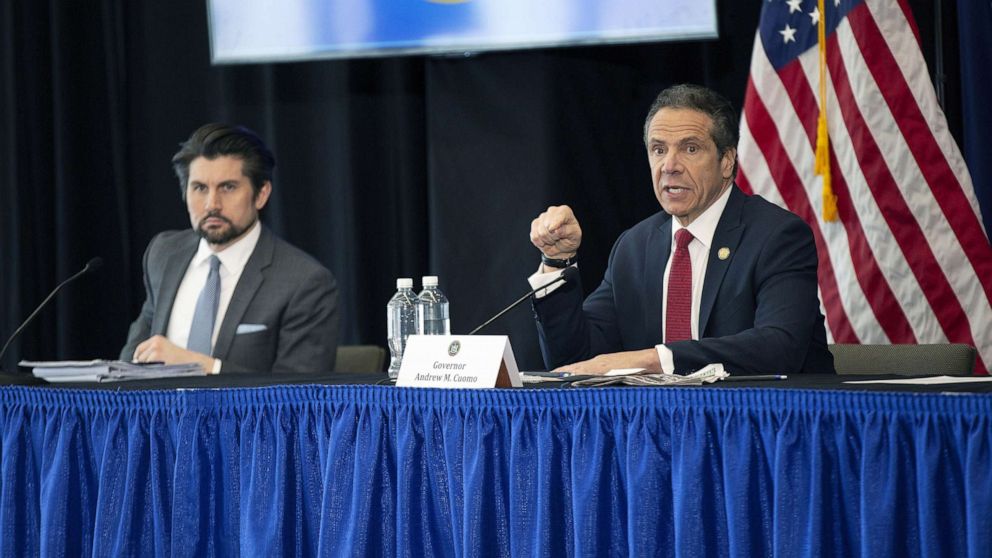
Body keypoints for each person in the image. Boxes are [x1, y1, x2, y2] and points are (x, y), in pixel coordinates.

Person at [528, 84, 834, 375]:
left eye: (690, 148)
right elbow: (574, 362)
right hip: (661, 426)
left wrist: (656, 359)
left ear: (726, 161)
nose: (669, 165)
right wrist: (557, 262)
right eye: (658, 150)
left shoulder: (777, 236)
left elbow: (779, 348)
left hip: (768, 422)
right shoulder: (635, 246)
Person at [121, 123, 339, 373]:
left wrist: (206, 367)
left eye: (228, 187)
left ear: (261, 194)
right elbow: (130, 359)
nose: (212, 204)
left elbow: (298, 394)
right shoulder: (163, 253)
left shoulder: (304, 281)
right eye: (200, 188)